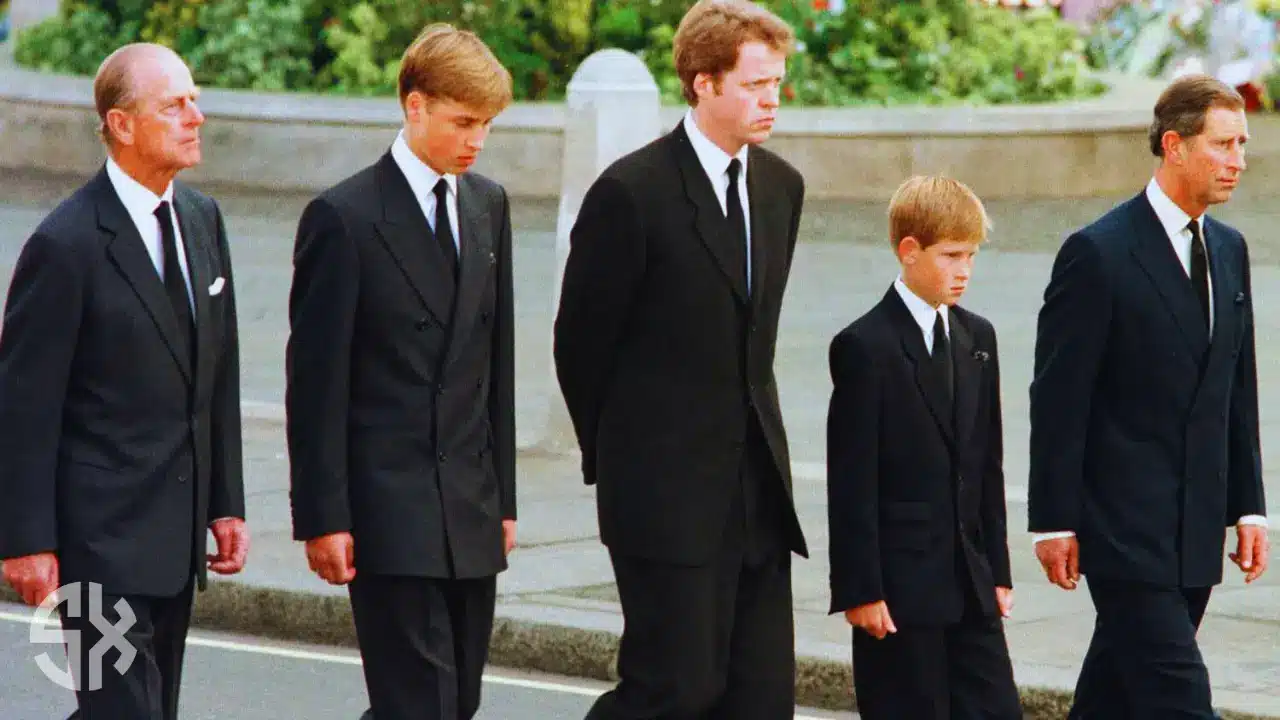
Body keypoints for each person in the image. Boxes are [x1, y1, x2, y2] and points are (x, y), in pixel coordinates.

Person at [553, 1, 809, 716]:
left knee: (761, 701)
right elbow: (581, 346)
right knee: (672, 693)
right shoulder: (632, 195)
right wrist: (626, 459)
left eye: (778, 84)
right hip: (663, 498)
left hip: (757, 493)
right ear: (703, 82)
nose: (772, 101)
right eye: (756, 85)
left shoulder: (780, 188)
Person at [0, 43, 247, 719]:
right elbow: (24, 408)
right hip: (97, 547)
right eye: (175, 104)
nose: (197, 116)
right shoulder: (66, 244)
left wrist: (226, 500)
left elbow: (216, 373)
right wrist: (24, 539)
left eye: (195, 99)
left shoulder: (203, 221)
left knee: (147, 710)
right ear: (122, 124)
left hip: (175, 539)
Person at [285, 22, 517, 720]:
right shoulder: (343, 217)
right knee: (420, 706)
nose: (477, 141)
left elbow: (495, 364)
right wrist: (322, 517)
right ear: (415, 106)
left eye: (488, 126)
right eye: (463, 121)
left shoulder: (488, 204)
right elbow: (316, 384)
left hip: (470, 508)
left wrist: (503, 497)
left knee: (457, 705)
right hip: (387, 510)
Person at [1028, 73, 1269, 718]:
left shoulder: (1229, 248)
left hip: (1195, 525)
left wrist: (1249, 506)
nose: (1238, 161)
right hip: (1121, 530)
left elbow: (1235, 386)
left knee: (1114, 693)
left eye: (1243, 144)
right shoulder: (1098, 253)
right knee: (1178, 695)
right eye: (1223, 145)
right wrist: (1053, 519)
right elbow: (1058, 397)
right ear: (1174, 145)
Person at [825, 176, 1021, 719]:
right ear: (908, 251)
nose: (965, 271)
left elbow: (988, 466)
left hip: (970, 585)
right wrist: (860, 590)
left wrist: (998, 570)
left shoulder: (977, 337)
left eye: (972, 256)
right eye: (952, 255)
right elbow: (852, 481)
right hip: (900, 591)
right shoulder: (866, 346)